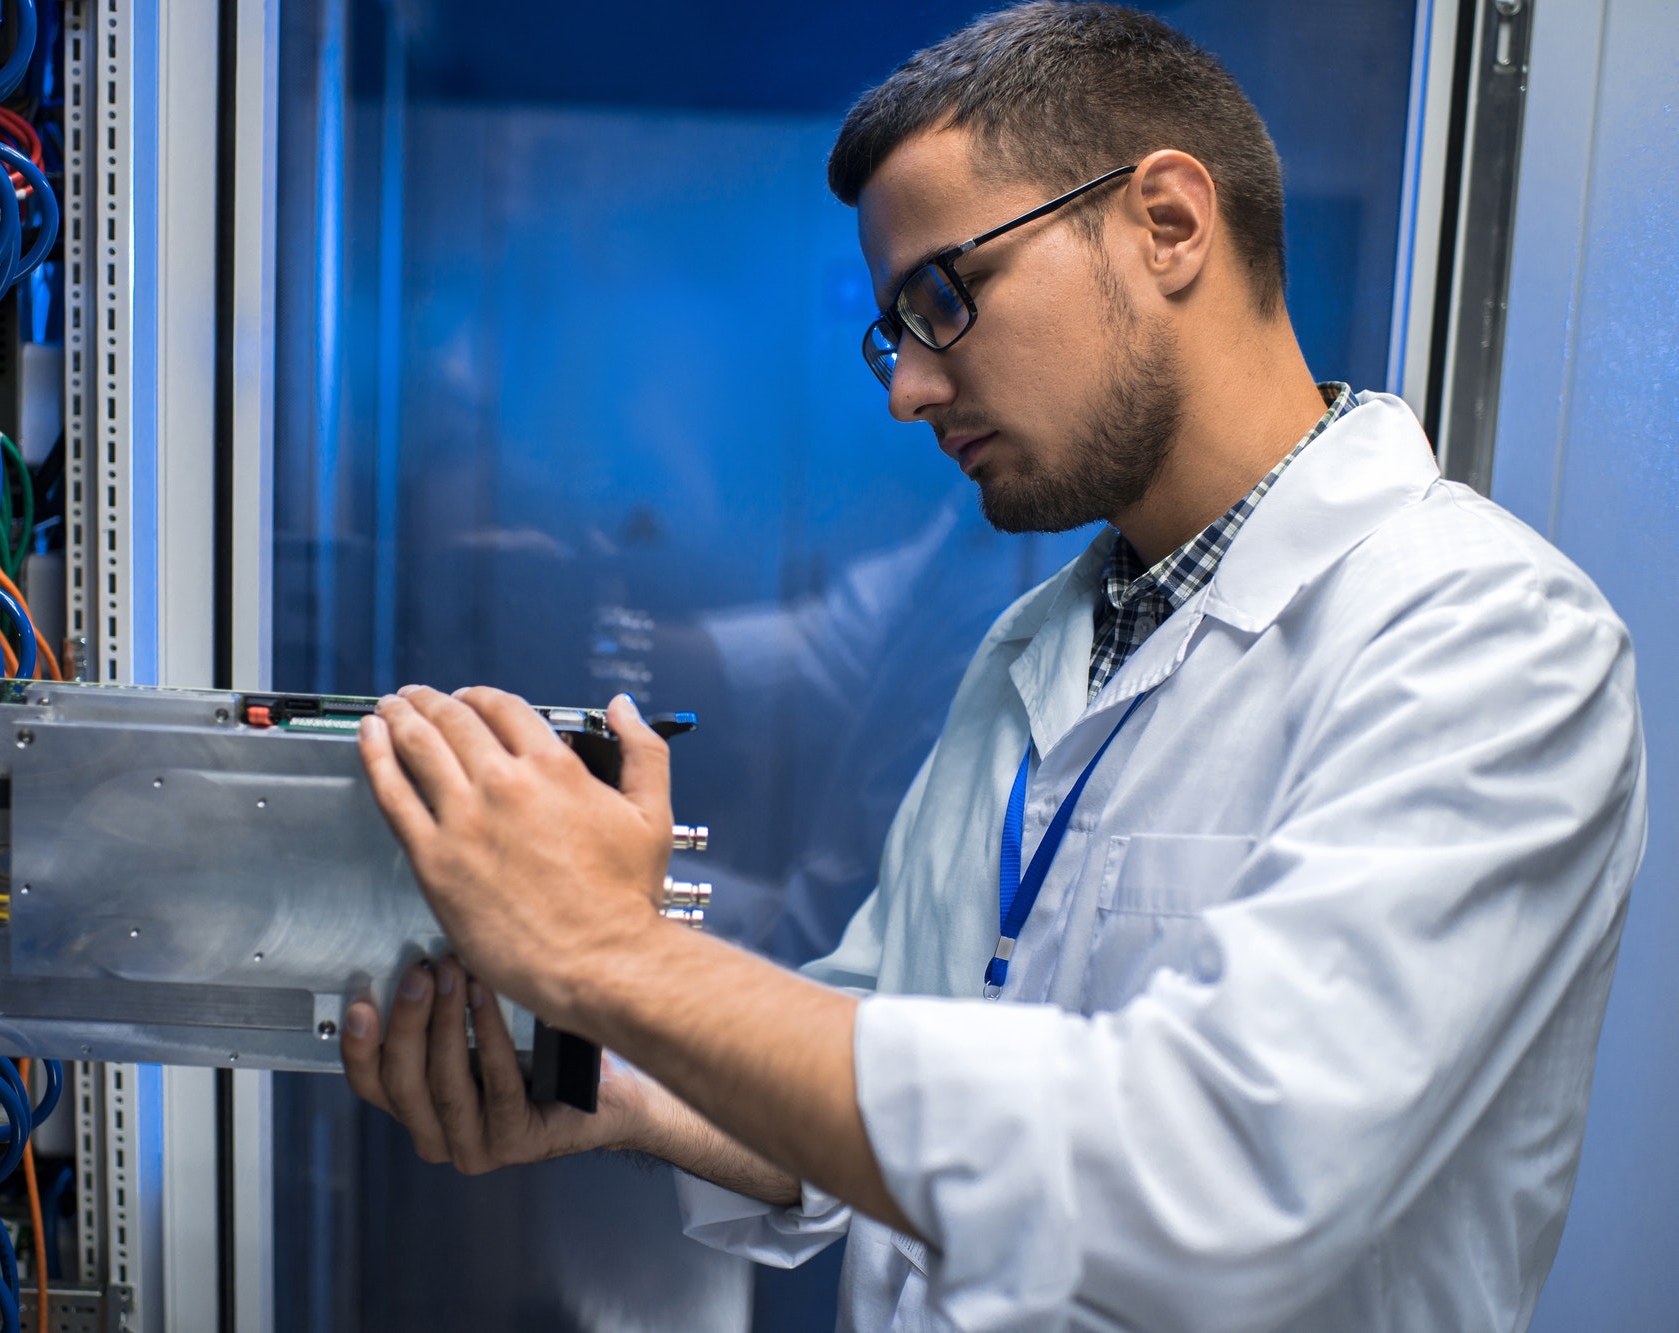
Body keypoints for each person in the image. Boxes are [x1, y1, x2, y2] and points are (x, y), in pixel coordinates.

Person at [340, 4, 1648, 1329]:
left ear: (1170, 224)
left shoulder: (1492, 644)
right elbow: (877, 1065)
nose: (906, 387)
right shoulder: (1035, 651)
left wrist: (612, 957)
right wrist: (613, 1085)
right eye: (893, 330)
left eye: (943, 299)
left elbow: (1225, 1178)